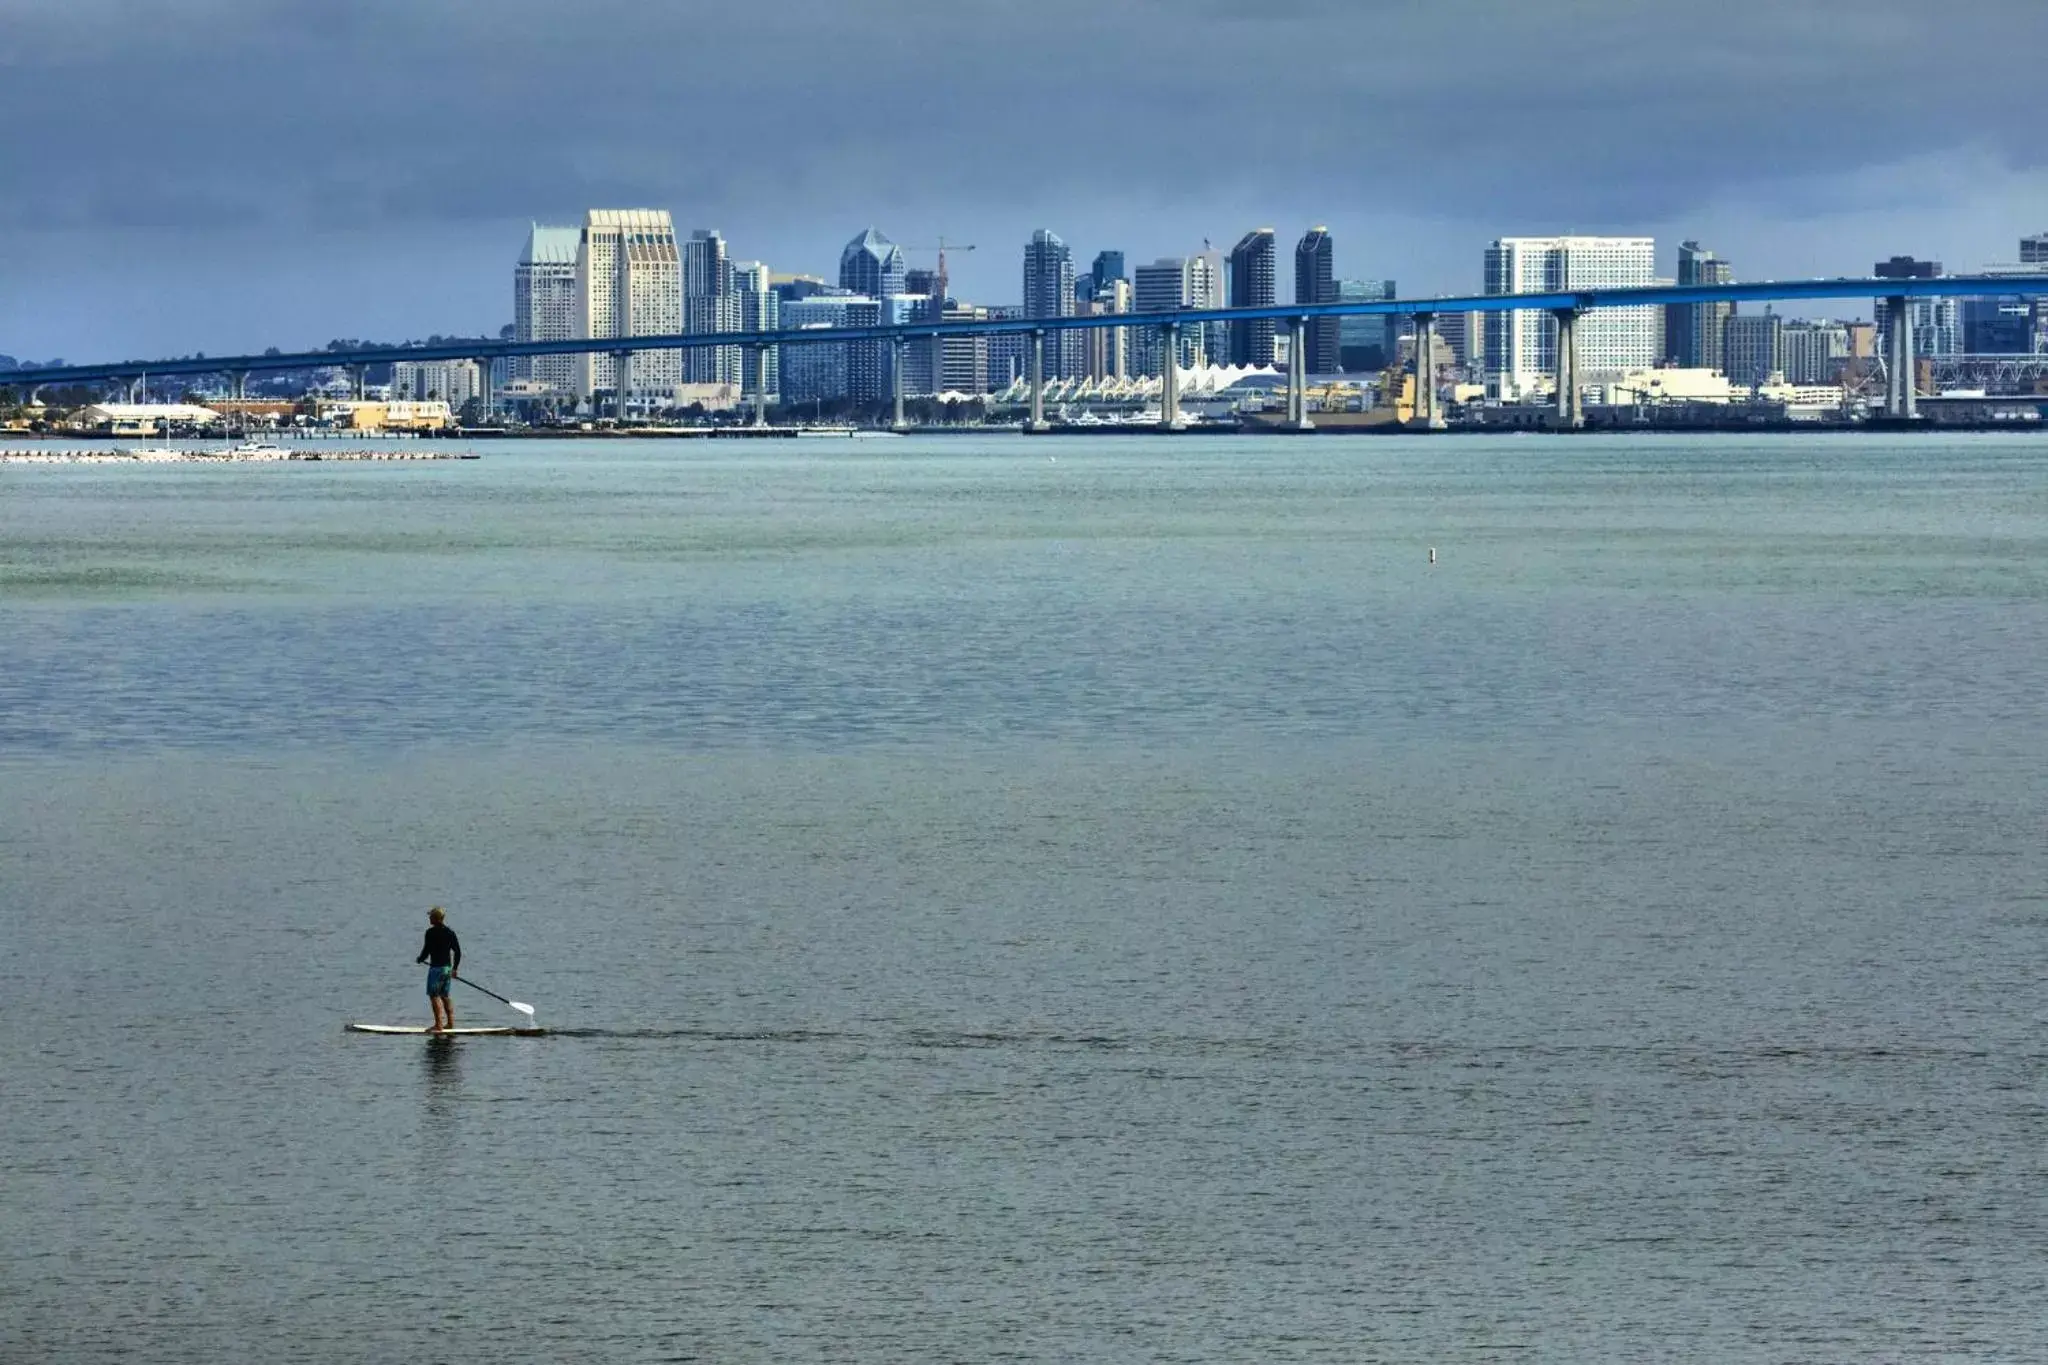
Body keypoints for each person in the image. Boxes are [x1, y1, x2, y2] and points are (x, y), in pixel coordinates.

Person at [416, 906, 462, 1032]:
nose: (429, 918)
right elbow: (457, 952)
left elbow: (426, 950)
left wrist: (420, 958)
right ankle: (451, 1023)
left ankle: (438, 1025)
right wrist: (455, 969)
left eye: (431, 916)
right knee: (444, 995)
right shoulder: (450, 932)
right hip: (447, 969)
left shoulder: (430, 933)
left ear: (436, 918)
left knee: (434, 996)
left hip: (436, 969)